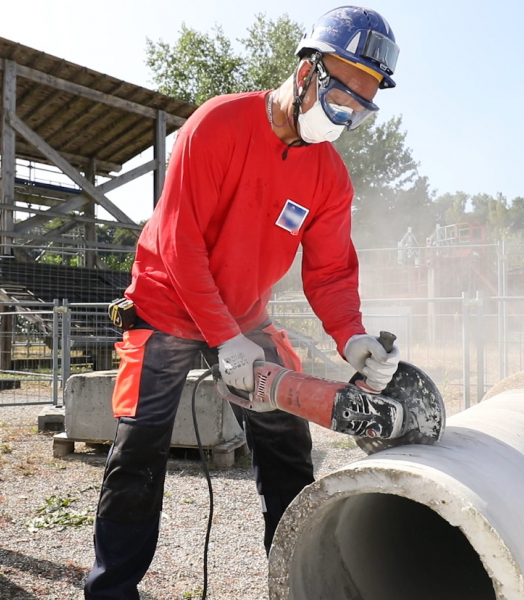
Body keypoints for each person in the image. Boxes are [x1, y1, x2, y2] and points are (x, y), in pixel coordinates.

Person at [84, 6, 401, 599]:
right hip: (167, 304)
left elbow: (330, 272)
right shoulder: (218, 124)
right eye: (340, 99)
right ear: (307, 71)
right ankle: (110, 592)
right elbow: (180, 243)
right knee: (139, 451)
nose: (345, 117)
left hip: (247, 317)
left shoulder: (329, 177)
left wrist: (353, 338)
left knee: (286, 445)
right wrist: (219, 336)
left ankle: (298, 585)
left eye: (361, 110)